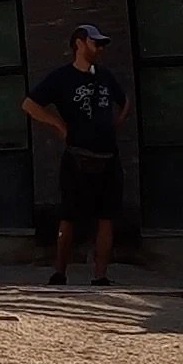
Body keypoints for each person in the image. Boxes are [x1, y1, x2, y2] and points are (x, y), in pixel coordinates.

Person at [21, 23, 130, 286]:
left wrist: (114, 124)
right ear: (79, 44)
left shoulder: (105, 76)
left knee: (106, 217)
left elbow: (124, 101)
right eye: (95, 43)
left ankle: (100, 275)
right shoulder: (62, 78)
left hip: (107, 156)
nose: (99, 48)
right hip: (77, 155)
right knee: (68, 215)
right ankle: (60, 272)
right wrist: (58, 124)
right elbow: (29, 104)